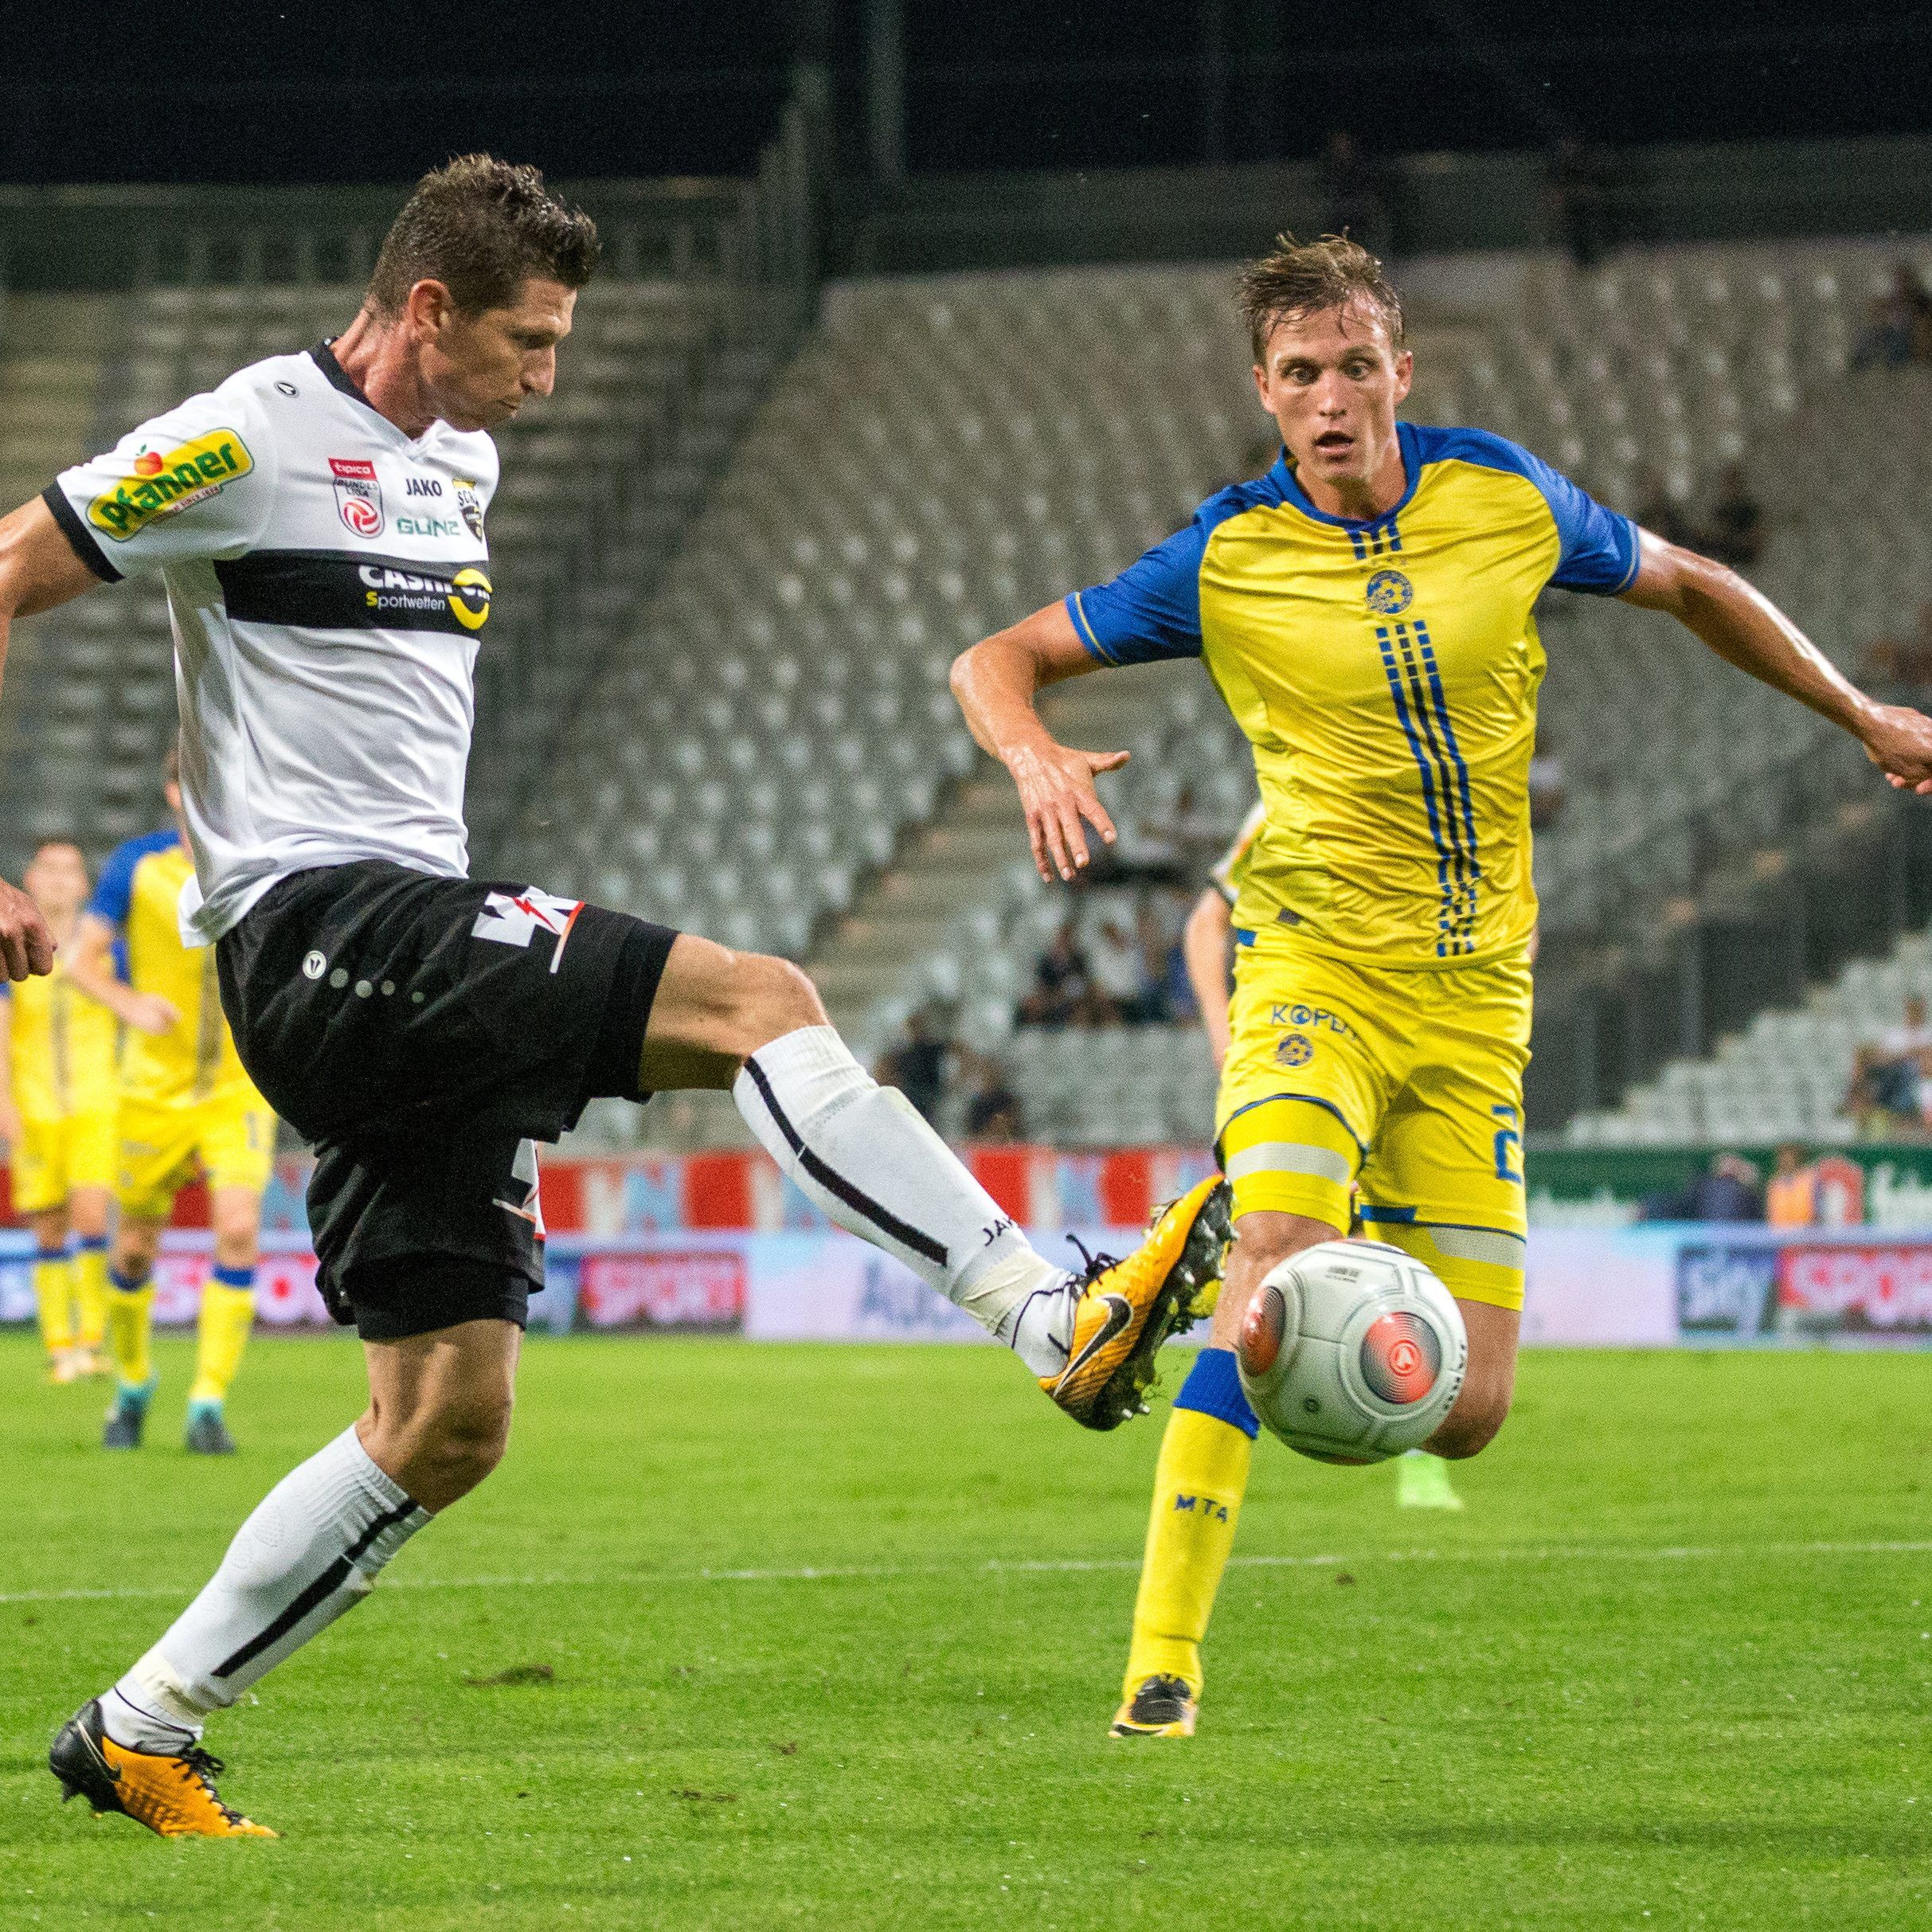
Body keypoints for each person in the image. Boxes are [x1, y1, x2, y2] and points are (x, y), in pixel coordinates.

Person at [0, 156, 1232, 1839]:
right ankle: (1047, 1313)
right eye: (529, 339)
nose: (549, 376)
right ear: (427, 307)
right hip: (315, 930)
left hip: (396, 952)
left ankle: (141, 1727)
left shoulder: (463, 460)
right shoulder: (246, 437)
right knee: (757, 1001)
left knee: (445, 1419)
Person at [951, 231, 1932, 1739]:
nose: (1330, 397)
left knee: (1461, 1410)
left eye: (1354, 365)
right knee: (1278, 1266)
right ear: (1264, 393)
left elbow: (1690, 581)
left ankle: (1233, 1232)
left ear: (1400, 369)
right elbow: (995, 656)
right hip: (1313, 965)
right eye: (1300, 373)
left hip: (1476, 1001)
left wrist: (1860, 712)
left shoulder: (1506, 498)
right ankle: (1162, 1663)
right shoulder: (1223, 557)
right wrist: (1030, 752)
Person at [1183, 799, 1461, 1515]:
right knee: (1280, 1253)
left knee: (1406, 1272)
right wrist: (1224, 1036)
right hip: (1308, 1051)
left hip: (1414, 1058)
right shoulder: (1294, 797)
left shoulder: (1460, 795)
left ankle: (1414, 1455)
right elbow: (1207, 921)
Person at [65, 749, 279, 1457]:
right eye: (194, 782)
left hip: (237, 1087)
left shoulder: (264, 861)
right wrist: (129, 1003)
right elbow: (80, 961)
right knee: (133, 1248)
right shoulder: (138, 866)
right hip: (151, 1088)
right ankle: (132, 1385)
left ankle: (208, 1402)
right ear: (172, 792)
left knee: (239, 1231)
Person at [0, 840, 119, 1383]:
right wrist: (5, 1102)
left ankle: (91, 1341)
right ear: (29, 878)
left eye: (69, 870)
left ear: (83, 884)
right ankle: (59, 1347)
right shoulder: (12, 947)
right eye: (47, 869)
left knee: (92, 1218)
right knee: (48, 1228)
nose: (57, 879)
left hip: (98, 1103)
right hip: (36, 1106)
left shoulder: (108, 952)